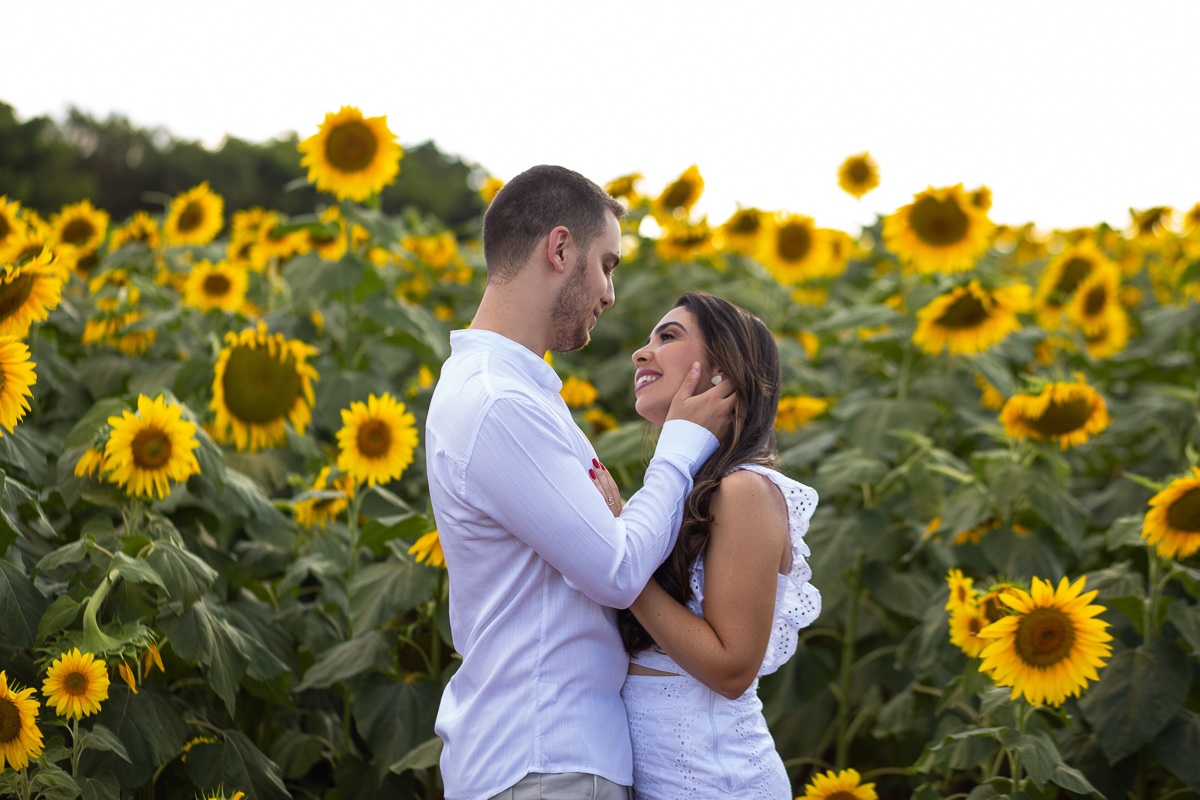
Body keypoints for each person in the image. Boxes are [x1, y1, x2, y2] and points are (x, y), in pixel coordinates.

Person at [424, 165, 735, 800]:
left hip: (542, 756)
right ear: (560, 249)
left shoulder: (513, 393)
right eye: (607, 264)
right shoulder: (498, 402)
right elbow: (616, 570)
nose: (610, 294)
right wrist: (679, 445)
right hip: (545, 760)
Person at [588, 292, 821, 799]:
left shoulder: (743, 493)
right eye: (649, 337)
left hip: (720, 781)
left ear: (724, 373)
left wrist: (617, 563)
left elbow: (732, 668)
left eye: (668, 336)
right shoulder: (683, 494)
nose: (641, 352)